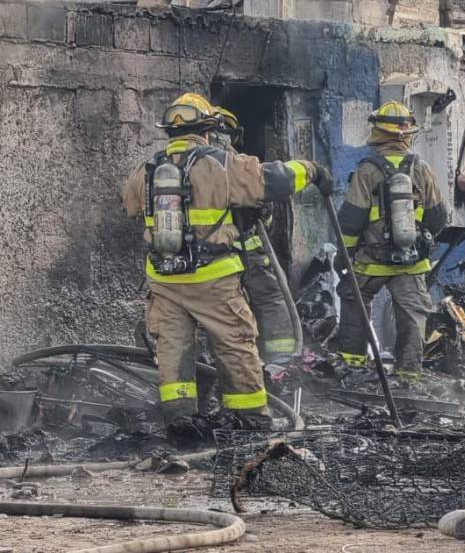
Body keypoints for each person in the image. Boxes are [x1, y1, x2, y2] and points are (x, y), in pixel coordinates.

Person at [122, 93, 331, 433]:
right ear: (206, 129)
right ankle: (251, 418)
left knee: (173, 349)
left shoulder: (147, 169)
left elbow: (129, 205)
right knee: (235, 343)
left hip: (164, 279)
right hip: (213, 277)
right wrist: (311, 170)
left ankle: (179, 420)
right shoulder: (220, 162)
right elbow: (273, 181)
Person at [332, 101, 449, 383]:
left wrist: (344, 256)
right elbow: (438, 217)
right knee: (412, 314)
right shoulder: (422, 168)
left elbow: (351, 220)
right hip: (411, 261)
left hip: (371, 261)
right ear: (407, 133)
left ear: (378, 133)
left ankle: (352, 365)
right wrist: (421, 242)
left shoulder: (367, 170)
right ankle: (408, 374)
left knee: (354, 300)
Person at [212, 107, 300, 362]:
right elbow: (266, 213)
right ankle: (280, 363)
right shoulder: (240, 164)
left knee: (216, 309)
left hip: (210, 257)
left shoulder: (188, 167)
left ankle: (218, 363)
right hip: (247, 252)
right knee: (271, 299)